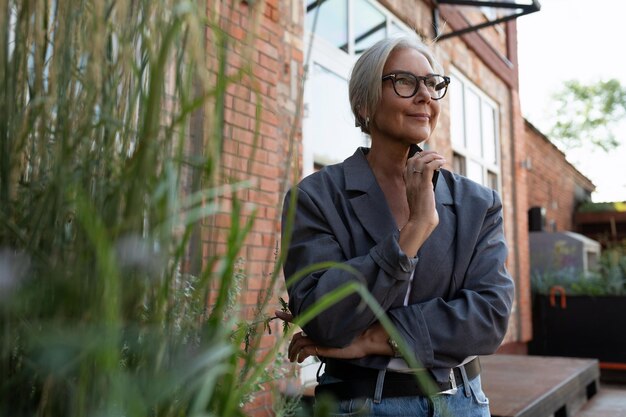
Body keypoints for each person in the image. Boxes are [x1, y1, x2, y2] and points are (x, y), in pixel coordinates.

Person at [278, 34, 515, 417]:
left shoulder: (478, 203)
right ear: (365, 102)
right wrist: (414, 231)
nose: (425, 95)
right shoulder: (317, 198)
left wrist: (375, 338)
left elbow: (489, 318)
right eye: (405, 82)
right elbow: (324, 319)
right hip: (358, 405)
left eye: (433, 84)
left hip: (461, 403)